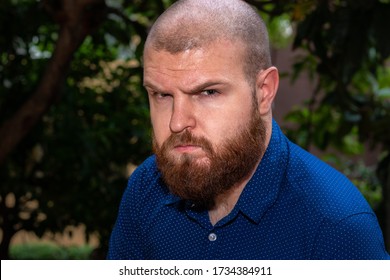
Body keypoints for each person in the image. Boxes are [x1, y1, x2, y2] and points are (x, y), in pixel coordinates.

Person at [107, 0, 390, 259]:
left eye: (207, 92)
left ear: (264, 92)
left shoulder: (337, 226)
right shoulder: (146, 187)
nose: (177, 122)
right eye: (162, 95)